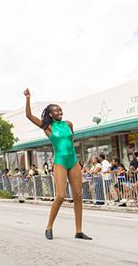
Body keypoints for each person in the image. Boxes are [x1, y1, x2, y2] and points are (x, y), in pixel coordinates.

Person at [24, 89, 91, 240]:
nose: (60, 112)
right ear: (50, 114)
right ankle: (49, 227)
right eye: (56, 110)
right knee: (61, 195)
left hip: (73, 161)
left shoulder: (68, 124)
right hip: (60, 161)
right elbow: (28, 116)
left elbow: (71, 140)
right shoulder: (48, 127)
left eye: (60, 109)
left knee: (78, 195)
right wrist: (28, 98)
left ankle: (79, 231)